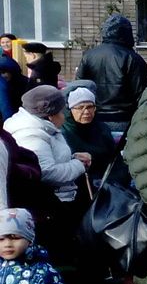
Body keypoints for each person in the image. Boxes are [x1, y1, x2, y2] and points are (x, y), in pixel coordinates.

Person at [4, 85, 90, 253]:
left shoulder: (46, 129)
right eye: (62, 111)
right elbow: (46, 173)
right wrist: (80, 165)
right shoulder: (31, 135)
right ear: (51, 115)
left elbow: (53, 159)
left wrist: (73, 159)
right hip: (52, 205)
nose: (64, 115)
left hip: (60, 199)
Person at [74, 13, 147, 137]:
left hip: (94, 117)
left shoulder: (89, 56)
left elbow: (79, 87)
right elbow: (143, 94)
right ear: (127, 33)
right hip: (124, 118)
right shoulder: (133, 58)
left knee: (99, 154)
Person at [61, 86, 116, 183]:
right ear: (70, 110)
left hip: (106, 182)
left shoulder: (102, 129)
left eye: (90, 107)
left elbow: (114, 159)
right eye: (80, 108)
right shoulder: (63, 132)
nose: (86, 112)